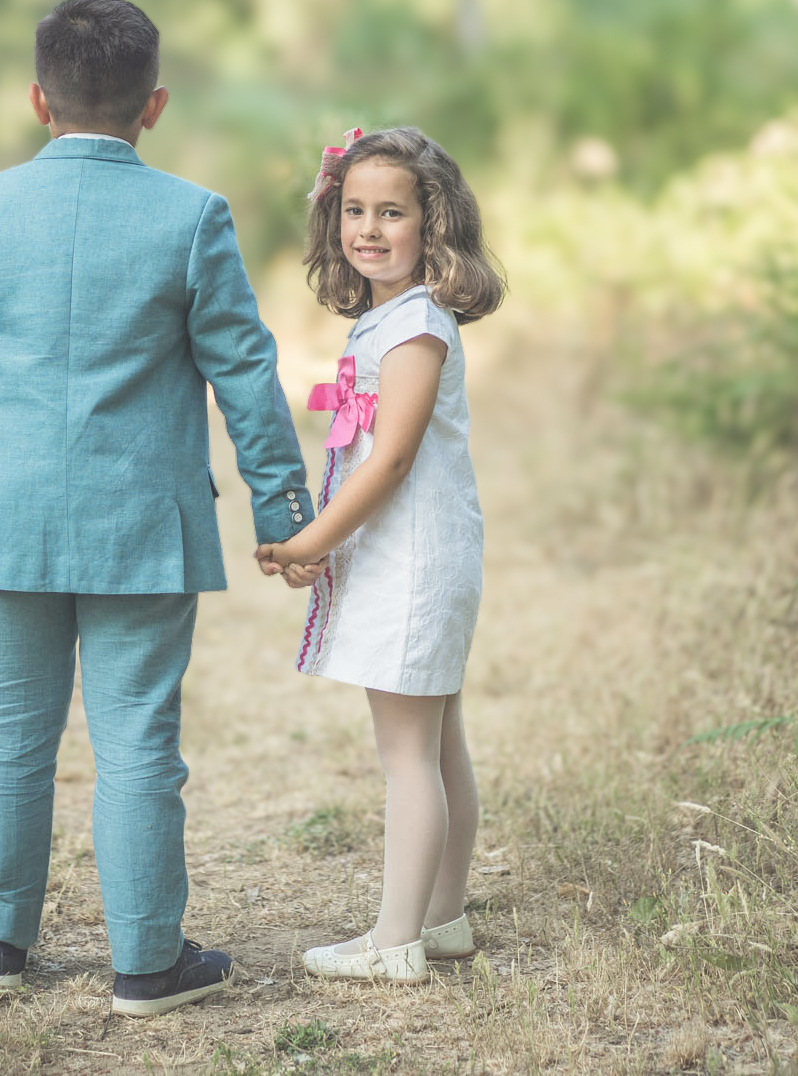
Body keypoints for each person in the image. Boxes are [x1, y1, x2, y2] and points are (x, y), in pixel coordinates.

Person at [0, 0, 313, 1017]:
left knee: (4, 734)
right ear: (155, 105)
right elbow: (245, 371)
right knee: (138, 737)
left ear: (37, 100)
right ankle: (144, 964)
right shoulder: (190, 216)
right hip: (141, 524)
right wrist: (282, 509)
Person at [259, 126, 506, 984]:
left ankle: (394, 939)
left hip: (412, 563)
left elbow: (392, 457)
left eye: (391, 211)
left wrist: (311, 542)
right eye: (353, 209)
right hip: (420, 557)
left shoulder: (415, 327)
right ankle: (442, 919)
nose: (368, 228)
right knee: (438, 746)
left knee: (409, 754)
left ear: (431, 222)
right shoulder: (389, 318)